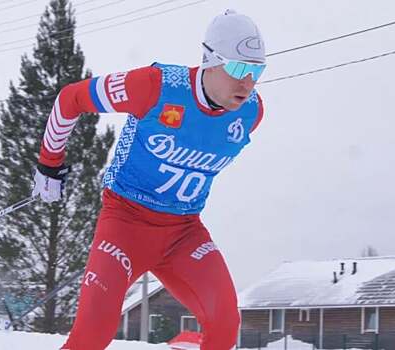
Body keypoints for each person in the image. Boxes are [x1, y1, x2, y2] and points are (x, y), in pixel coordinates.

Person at [31, 9, 266, 350]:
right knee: (92, 335)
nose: (248, 82)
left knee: (225, 323)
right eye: (239, 68)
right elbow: (71, 98)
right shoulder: (155, 86)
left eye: (257, 71)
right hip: (125, 224)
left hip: (184, 233)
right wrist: (49, 164)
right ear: (209, 60)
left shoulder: (251, 113)